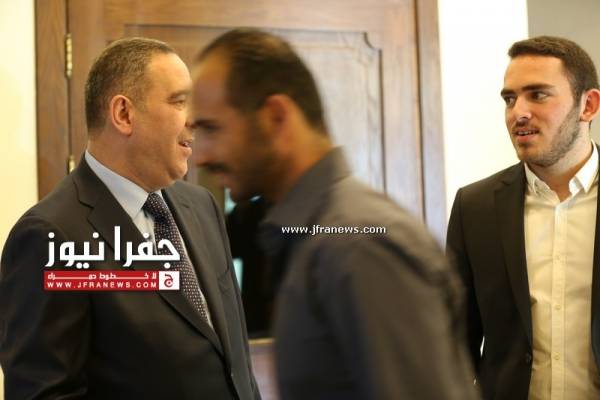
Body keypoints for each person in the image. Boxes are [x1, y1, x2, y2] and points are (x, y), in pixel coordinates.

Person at [190, 28, 478, 400]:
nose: (201, 156)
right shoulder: (307, 238)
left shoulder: (360, 245)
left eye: (212, 129)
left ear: (276, 117)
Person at [0, 37, 260, 399]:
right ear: (123, 114)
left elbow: (234, 363)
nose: (195, 120)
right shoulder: (51, 236)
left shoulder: (201, 206)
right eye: (179, 102)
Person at [447, 36, 600, 400]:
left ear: (588, 105)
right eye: (510, 99)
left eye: (538, 95)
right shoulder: (475, 207)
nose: (518, 112)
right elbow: (455, 341)